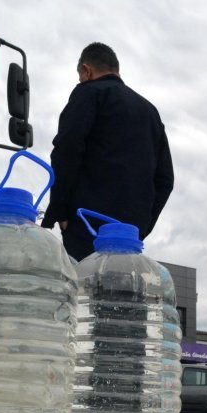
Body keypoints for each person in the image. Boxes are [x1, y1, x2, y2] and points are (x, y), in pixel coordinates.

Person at [41, 42, 174, 261]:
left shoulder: (88, 93)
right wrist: (141, 227)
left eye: (81, 76)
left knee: (84, 289)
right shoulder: (150, 112)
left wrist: (60, 210)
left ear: (87, 70)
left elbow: (67, 148)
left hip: (86, 223)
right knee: (119, 293)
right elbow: (165, 179)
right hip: (129, 236)